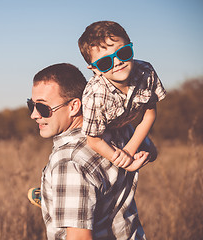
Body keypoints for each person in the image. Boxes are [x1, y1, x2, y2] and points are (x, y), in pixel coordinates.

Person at [27, 63, 149, 239]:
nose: (34, 115)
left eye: (43, 108)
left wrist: (69, 183)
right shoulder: (116, 128)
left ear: (74, 106)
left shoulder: (68, 164)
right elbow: (151, 150)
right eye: (31, 105)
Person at [77, 21, 166, 169]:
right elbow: (93, 140)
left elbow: (149, 114)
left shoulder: (146, 72)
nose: (117, 62)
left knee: (152, 154)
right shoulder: (96, 95)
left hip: (124, 124)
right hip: (98, 131)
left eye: (123, 53)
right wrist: (125, 162)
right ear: (95, 69)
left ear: (131, 47)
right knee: (106, 168)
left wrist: (129, 150)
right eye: (105, 62)